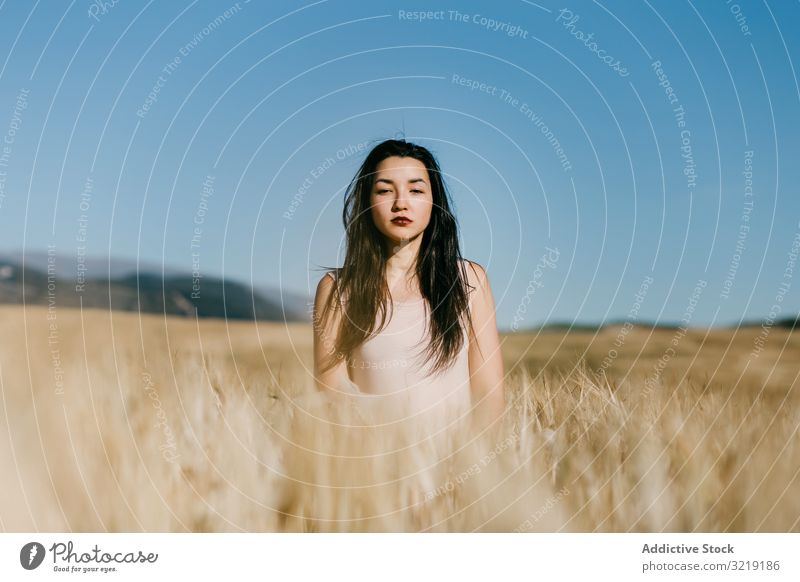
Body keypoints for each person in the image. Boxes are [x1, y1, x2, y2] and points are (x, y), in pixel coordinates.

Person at [312, 139, 504, 434]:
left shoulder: (468, 281)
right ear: (367, 202)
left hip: (456, 466)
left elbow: (489, 401)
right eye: (385, 190)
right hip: (372, 466)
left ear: (434, 201)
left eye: (416, 190)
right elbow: (330, 402)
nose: (401, 202)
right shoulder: (338, 290)